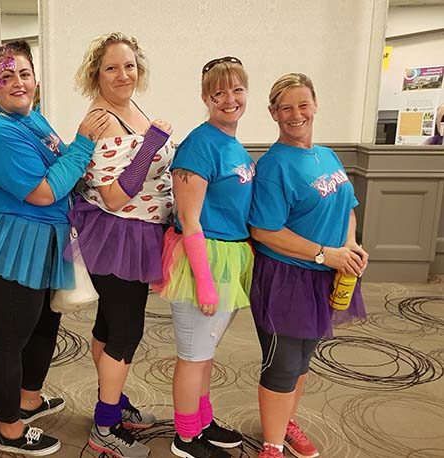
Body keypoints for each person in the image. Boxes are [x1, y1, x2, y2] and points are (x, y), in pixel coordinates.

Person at [0, 38, 109, 456]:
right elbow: (43, 192)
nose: (18, 82)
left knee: (45, 325)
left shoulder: (33, 119)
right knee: (10, 339)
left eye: (24, 74)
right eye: (7, 76)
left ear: (36, 81)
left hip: (44, 242)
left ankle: (28, 401)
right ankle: (9, 430)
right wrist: (82, 145)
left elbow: (62, 173)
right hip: (10, 246)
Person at [249, 73, 368, 458]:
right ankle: (272, 445)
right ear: (273, 113)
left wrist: (349, 245)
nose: (295, 114)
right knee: (282, 363)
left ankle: (285, 424)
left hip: (326, 274)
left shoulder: (326, 155)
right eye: (286, 107)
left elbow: (348, 205)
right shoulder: (273, 166)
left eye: (303, 104)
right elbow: (264, 230)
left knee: (302, 361)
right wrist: (324, 253)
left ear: (315, 104)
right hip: (286, 277)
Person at [72, 32, 172, 458]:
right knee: (126, 331)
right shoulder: (103, 119)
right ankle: (106, 425)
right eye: (112, 67)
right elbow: (115, 195)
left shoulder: (129, 107)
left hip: (138, 232)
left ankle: (112, 403)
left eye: (129, 66)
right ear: (96, 73)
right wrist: (152, 143)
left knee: (110, 326)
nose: (122, 74)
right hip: (119, 235)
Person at [154, 56, 253, 458]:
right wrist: (205, 282)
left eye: (237, 90)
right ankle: (186, 437)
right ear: (205, 97)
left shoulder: (231, 143)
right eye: (219, 92)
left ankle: (203, 421)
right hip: (202, 261)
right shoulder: (199, 145)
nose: (229, 99)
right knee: (193, 355)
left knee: (206, 353)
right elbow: (189, 220)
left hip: (228, 255)